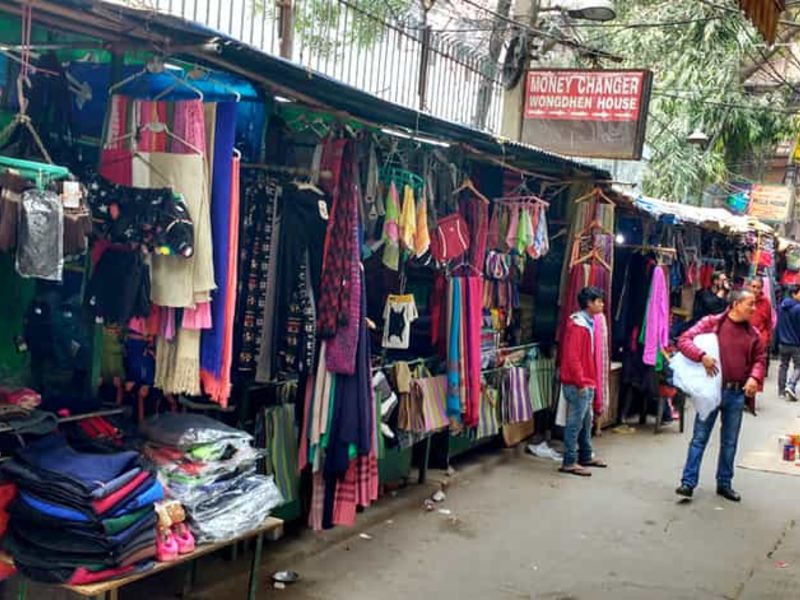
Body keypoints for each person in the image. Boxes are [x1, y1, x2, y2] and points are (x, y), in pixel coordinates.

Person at [675, 289, 766, 503]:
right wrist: (702, 356)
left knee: (730, 442)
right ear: (735, 304)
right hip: (712, 391)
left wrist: (754, 378)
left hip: (736, 393)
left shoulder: (753, 334)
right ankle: (688, 483)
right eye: (750, 304)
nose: (754, 309)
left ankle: (724, 483)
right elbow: (684, 340)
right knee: (699, 438)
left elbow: (759, 360)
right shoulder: (712, 323)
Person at [558, 286, 608, 477]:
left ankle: (585, 454)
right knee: (576, 422)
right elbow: (573, 357)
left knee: (585, 421)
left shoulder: (586, 322)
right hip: (578, 382)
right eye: (599, 301)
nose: (601, 304)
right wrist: (581, 381)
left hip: (585, 380)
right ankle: (569, 460)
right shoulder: (579, 325)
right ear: (589, 303)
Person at [777, 285, 800, 400]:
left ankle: (781, 391)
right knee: (798, 366)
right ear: (794, 294)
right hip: (795, 343)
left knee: (783, 366)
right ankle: (791, 384)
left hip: (782, 342)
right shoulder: (798, 308)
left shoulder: (781, 306)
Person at [748, 277, 773, 357]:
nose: (755, 290)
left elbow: (768, 323)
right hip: (745, 340)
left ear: (762, 288)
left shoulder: (766, 302)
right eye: (753, 286)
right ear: (748, 286)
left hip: (760, 341)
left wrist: (767, 339)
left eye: (758, 287)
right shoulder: (742, 299)